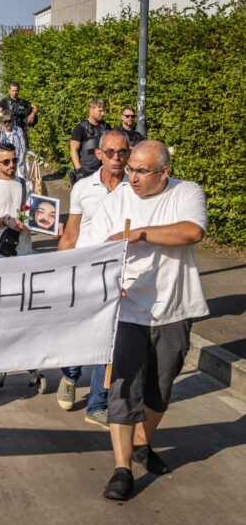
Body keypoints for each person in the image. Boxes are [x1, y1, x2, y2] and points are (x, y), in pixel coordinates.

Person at [85, 140, 209, 501]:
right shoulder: (113, 202)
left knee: (161, 390)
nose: (131, 176)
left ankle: (143, 443)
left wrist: (138, 233)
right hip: (128, 311)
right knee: (123, 389)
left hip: (175, 308)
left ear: (164, 172)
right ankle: (122, 469)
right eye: (130, 168)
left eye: (141, 170)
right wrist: (106, 286)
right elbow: (96, 254)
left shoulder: (186, 193)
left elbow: (191, 232)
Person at [56, 130, 131, 430]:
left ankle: (98, 404)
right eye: (110, 152)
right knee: (78, 332)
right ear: (99, 154)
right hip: (84, 274)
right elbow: (71, 235)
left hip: (117, 276)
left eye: (122, 152)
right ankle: (70, 376)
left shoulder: (135, 189)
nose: (116, 158)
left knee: (108, 340)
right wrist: (59, 272)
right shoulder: (83, 189)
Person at [69, 97, 111, 180]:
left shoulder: (107, 128)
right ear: (91, 110)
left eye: (103, 111)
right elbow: (73, 150)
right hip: (85, 172)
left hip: (104, 171)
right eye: (100, 111)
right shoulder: (80, 128)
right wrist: (78, 169)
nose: (103, 114)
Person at [0, 111, 28, 178]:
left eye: (9, 121)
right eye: (5, 122)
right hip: (2, 166)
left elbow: (23, 147)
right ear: (1, 122)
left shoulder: (18, 130)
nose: (7, 124)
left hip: (16, 166)